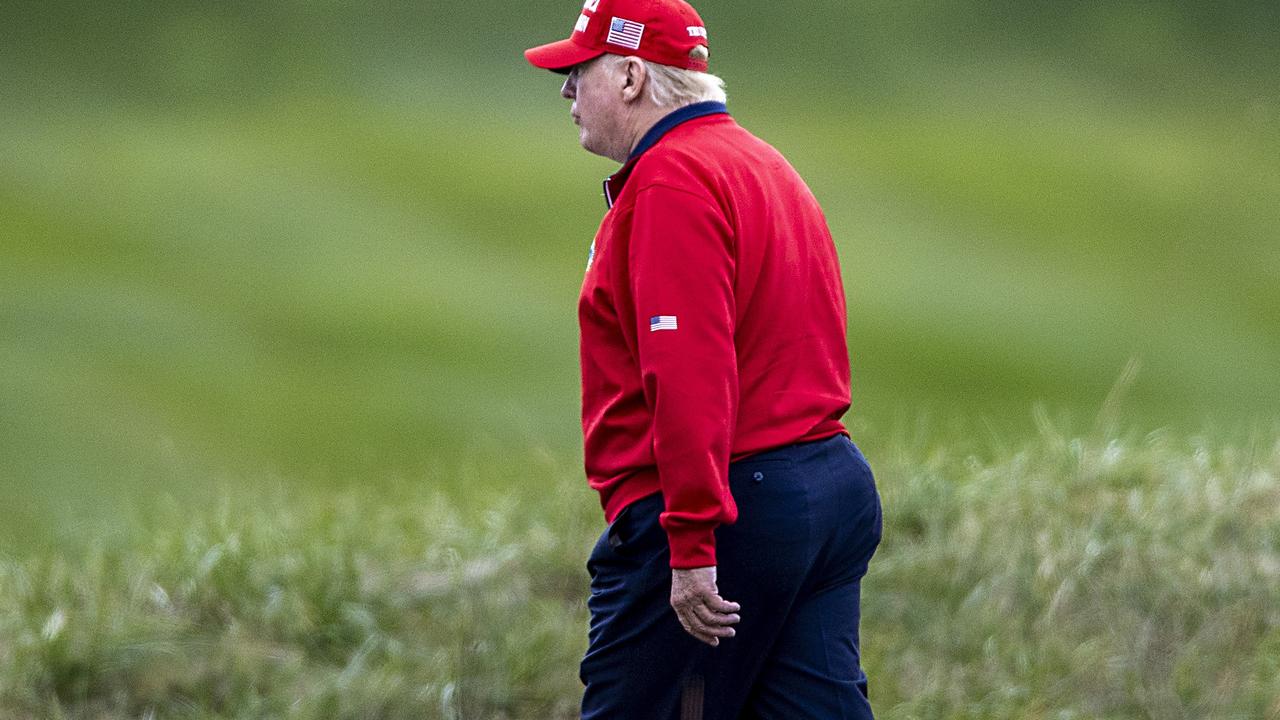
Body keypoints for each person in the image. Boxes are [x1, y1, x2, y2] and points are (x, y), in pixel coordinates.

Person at [524, 1, 882, 717]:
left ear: (630, 76)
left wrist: (690, 541)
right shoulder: (759, 161)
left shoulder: (668, 182)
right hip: (826, 489)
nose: (566, 89)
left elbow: (687, 373)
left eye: (578, 70)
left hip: (726, 511)